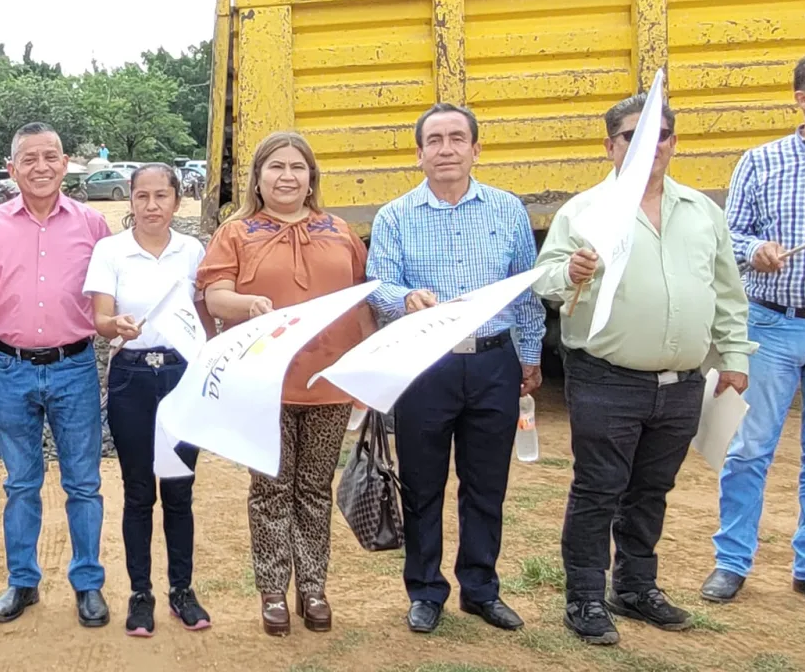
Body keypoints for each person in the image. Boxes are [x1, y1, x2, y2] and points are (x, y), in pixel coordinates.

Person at [534, 95, 755, 644]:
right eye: (632, 135)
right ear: (610, 146)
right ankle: (585, 597)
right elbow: (545, 280)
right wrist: (571, 271)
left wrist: (733, 355)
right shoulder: (583, 212)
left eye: (660, 134)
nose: (647, 145)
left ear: (673, 144)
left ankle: (634, 586)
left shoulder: (703, 212)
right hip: (608, 377)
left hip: (681, 384)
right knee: (598, 488)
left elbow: (727, 291)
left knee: (652, 489)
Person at [366, 103, 545, 635]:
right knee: (423, 483)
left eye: (457, 139)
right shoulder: (395, 216)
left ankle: (481, 588)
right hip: (424, 366)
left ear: (475, 149)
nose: (446, 149)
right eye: (435, 140)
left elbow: (526, 290)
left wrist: (530, 354)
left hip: (493, 360)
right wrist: (405, 298)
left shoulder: (507, 210)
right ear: (419, 153)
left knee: (486, 482)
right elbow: (379, 286)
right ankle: (425, 590)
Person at [0, 122, 113, 627]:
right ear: (12, 169)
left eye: (50, 156)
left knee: (83, 483)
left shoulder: (93, 225)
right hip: (11, 368)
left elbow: (112, 289)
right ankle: (23, 581)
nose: (40, 167)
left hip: (74, 366)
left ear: (66, 163)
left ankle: (88, 583)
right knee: (21, 483)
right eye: (28, 159)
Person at [197, 131, 375, 637]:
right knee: (271, 489)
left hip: (328, 382)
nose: (287, 177)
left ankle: (313, 587)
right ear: (258, 177)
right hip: (263, 383)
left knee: (315, 488)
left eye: (298, 167)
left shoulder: (339, 231)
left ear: (311, 177)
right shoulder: (237, 232)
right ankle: (273, 591)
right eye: (276, 167)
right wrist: (246, 305)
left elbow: (362, 304)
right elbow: (215, 296)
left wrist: (365, 369)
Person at [707, 48, 805, 613]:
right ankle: (731, 562)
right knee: (748, 449)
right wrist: (756, 251)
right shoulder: (761, 161)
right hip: (771, 323)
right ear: (804, 99)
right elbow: (728, 240)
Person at [85, 163, 217, 637]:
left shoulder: (192, 250)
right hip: (131, 378)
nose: (152, 206)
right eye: (142, 196)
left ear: (177, 202)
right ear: (131, 201)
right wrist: (113, 325)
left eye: (162, 196)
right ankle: (141, 593)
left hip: (181, 374)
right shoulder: (110, 251)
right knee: (139, 490)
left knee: (179, 488)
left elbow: (204, 314)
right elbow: (100, 317)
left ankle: (183, 590)